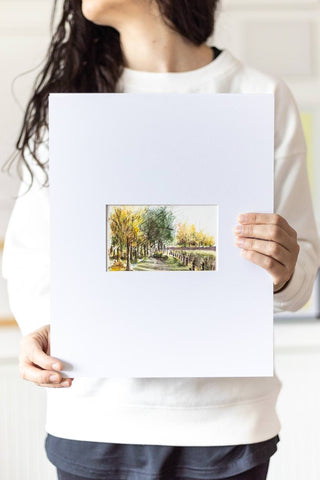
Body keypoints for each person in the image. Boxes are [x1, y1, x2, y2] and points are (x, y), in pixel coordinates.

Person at [2, 1, 320, 479]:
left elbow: (299, 278)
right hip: (94, 417)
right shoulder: (69, 100)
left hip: (226, 426)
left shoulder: (260, 94)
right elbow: (30, 254)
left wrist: (281, 269)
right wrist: (40, 329)